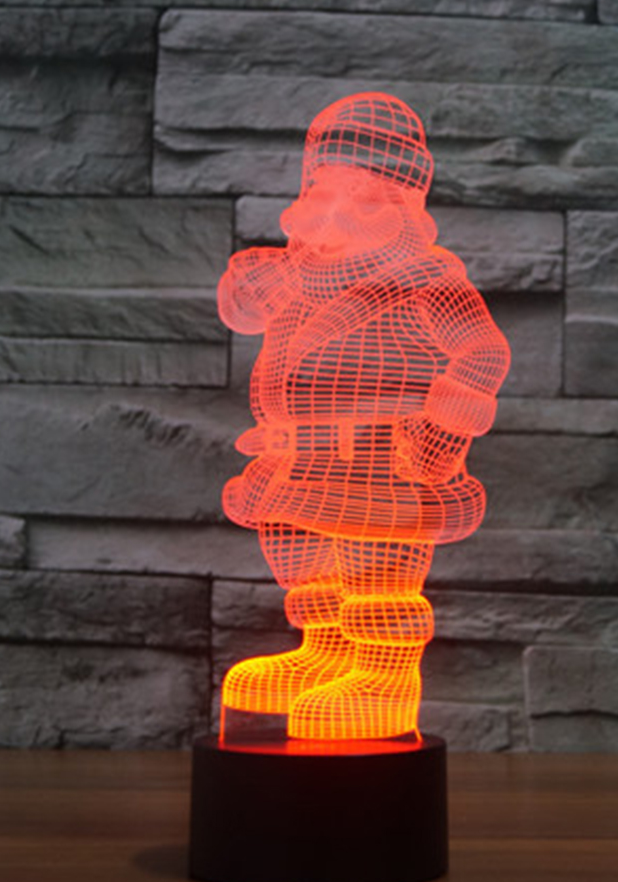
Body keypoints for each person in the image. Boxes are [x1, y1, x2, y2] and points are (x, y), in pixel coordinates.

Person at [217, 93, 510, 740]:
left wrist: (443, 431)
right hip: (296, 456)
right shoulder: (297, 274)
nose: (339, 207)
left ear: (402, 206)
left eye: (365, 195)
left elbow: (484, 352)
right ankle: (323, 651)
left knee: (375, 565)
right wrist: (259, 274)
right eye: (324, 189)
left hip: (380, 461)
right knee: (304, 561)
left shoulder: (427, 281)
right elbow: (241, 311)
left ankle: (385, 671)